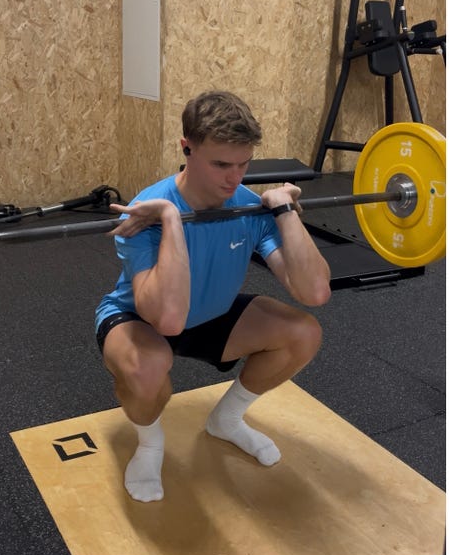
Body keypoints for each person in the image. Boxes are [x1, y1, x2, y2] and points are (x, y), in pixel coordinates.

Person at [95, 90, 331, 503]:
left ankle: (228, 420)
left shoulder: (247, 207)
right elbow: (167, 319)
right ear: (186, 148)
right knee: (148, 371)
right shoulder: (146, 212)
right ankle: (150, 445)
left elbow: (313, 290)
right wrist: (171, 219)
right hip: (142, 319)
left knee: (303, 333)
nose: (234, 179)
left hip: (211, 313)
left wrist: (282, 211)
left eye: (244, 164)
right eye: (221, 164)